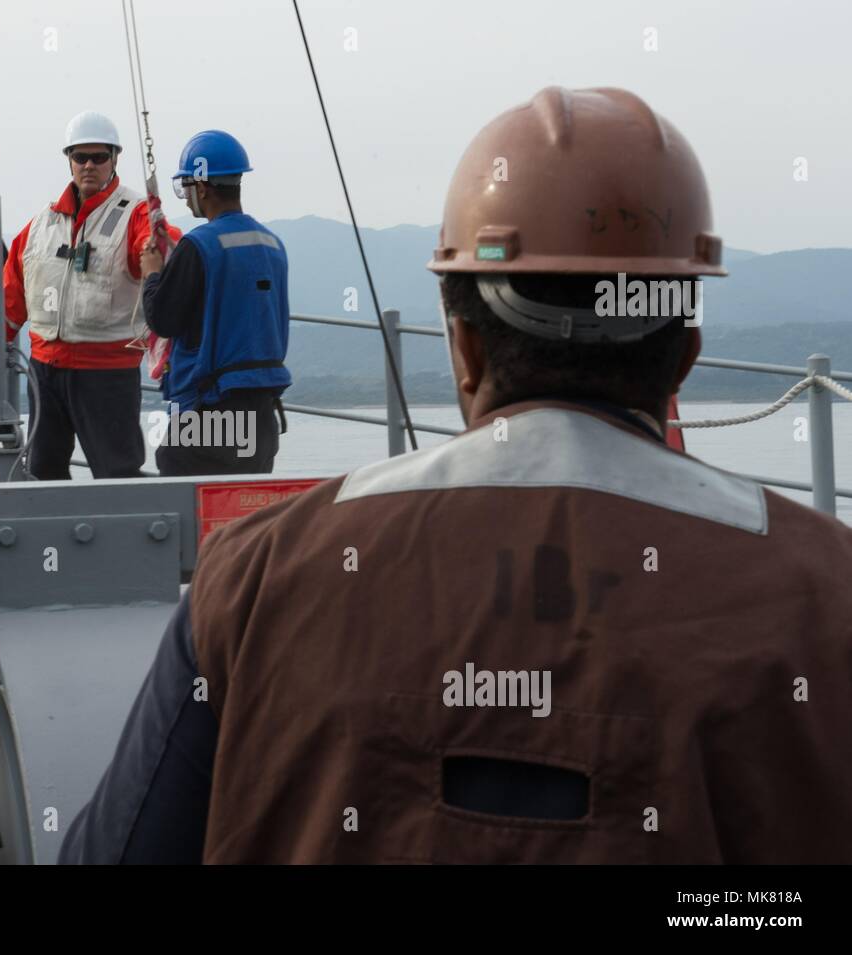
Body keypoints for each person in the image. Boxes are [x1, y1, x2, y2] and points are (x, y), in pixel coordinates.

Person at [60, 87, 852, 864]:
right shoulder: (826, 595)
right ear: (684, 354)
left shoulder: (251, 582)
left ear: (463, 349)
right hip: (260, 409)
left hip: (205, 410)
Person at [2, 111, 180, 480]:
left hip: (107, 373)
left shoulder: (135, 214)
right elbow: (12, 292)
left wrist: (161, 243)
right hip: (45, 371)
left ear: (115, 159)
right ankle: (51, 537)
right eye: (80, 157)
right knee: (42, 471)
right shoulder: (40, 226)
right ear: (68, 159)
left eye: (99, 157)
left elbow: (163, 246)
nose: (89, 165)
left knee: (117, 472)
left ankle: (123, 538)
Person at [139, 130, 291, 475]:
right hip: (262, 414)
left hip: (212, 409)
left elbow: (163, 319)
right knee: (243, 507)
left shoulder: (199, 246)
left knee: (187, 499)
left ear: (202, 187)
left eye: (185, 188)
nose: (186, 197)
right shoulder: (272, 244)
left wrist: (152, 275)